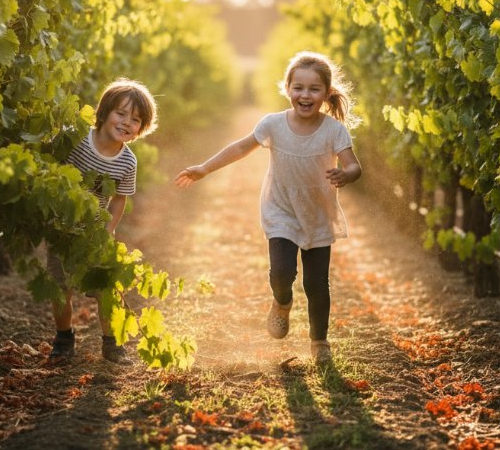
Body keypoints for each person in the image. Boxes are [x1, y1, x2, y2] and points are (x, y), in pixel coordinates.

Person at [175, 51, 361, 364]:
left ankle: (319, 342)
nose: (305, 95)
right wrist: (204, 168)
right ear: (287, 88)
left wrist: (346, 174)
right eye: (298, 87)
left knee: (316, 284)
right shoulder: (273, 124)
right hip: (281, 211)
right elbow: (240, 148)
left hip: (317, 214)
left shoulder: (334, 131)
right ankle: (282, 302)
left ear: (327, 94)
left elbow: (355, 166)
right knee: (281, 272)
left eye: (314, 89)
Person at [48, 78, 158, 365]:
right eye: (120, 113)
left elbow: (120, 199)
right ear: (104, 112)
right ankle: (63, 339)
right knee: (61, 288)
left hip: (95, 234)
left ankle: (112, 345)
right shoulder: (77, 141)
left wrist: (107, 231)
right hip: (62, 229)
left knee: (107, 289)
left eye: (135, 120)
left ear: (140, 129)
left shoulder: (127, 162)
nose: (126, 122)